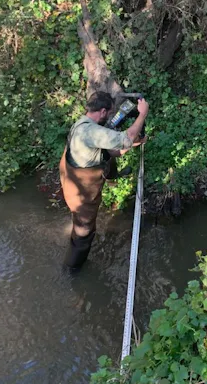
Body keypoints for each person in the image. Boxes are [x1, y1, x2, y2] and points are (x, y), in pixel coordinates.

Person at [60, 91, 149, 271]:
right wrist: (142, 114)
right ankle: (72, 270)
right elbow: (127, 138)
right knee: (83, 232)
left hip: (72, 186)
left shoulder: (82, 124)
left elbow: (108, 152)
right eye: (108, 113)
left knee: (80, 226)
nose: (109, 117)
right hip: (81, 197)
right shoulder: (91, 132)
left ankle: (73, 263)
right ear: (102, 111)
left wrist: (132, 144)